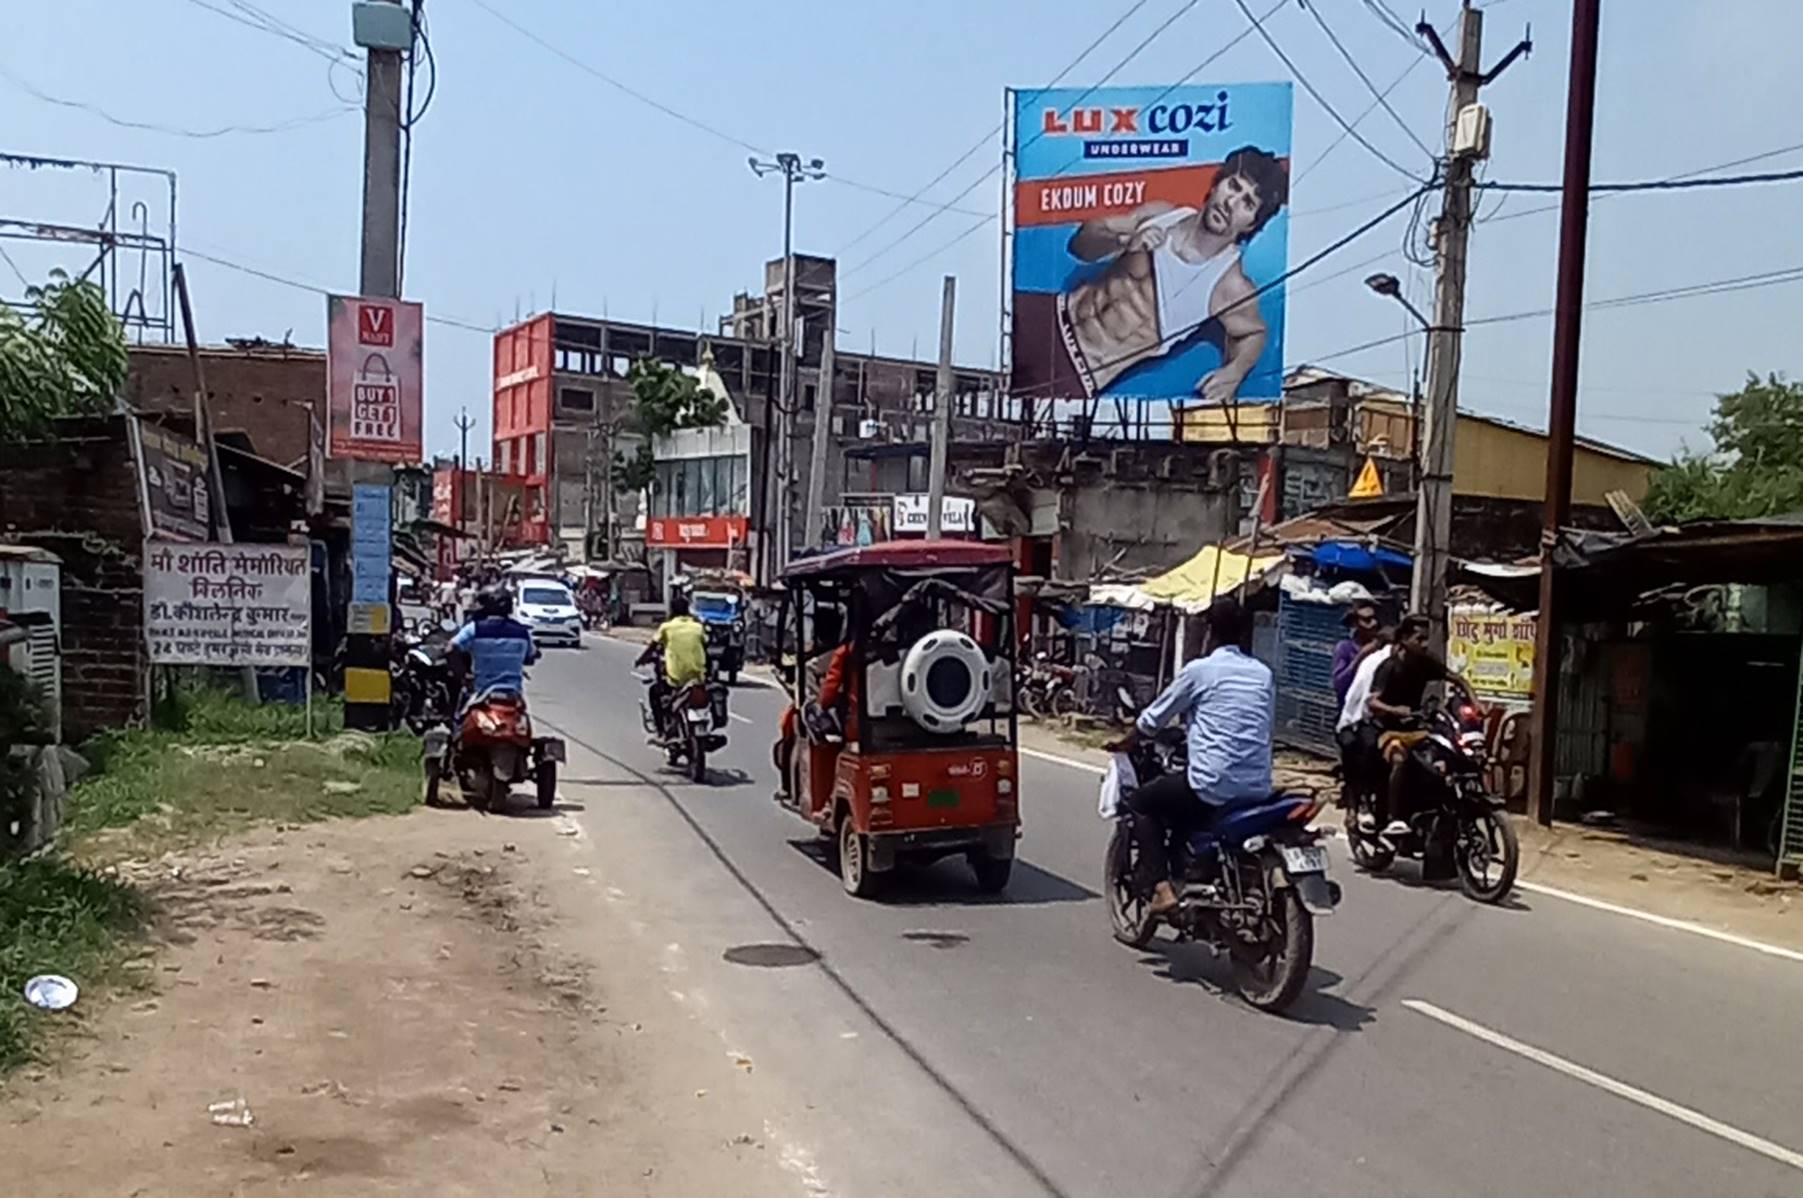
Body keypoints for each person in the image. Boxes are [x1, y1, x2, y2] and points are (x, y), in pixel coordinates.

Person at [1014, 145, 1289, 404]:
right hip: (1046, 314)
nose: (1231, 203)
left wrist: (1234, 372)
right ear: (1217, 183)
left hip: (1076, 373)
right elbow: (1080, 245)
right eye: (1234, 186)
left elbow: (1254, 332)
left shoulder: (1229, 284)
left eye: (1247, 203)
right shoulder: (1161, 215)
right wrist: (1122, 242)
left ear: (1251, 222)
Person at [1116, 597, 1275, 917]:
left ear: (1209, 633)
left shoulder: (1201, 671)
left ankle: (1163, 890)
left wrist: (1125, 742)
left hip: (1212, 783)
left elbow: (1152, 719)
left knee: (1141, 802)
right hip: (1258, 786)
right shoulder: (1263, 674)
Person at [1365, 614, 1476, 837]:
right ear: (1405, 639)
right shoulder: (1389, 666)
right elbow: (1372, 701)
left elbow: (1457, 679)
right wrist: (1396, 710)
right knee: (1399, 759)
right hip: (1388, 730)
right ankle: (1394, 819)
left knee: (1445, 757)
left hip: (1417, 728)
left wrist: (1475, 703)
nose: (1424, 644)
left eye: (1426, 639)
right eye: (1419, 639)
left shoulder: (1426, 662)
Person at [1335, 625, 1394, 818]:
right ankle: (1360, 804)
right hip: (1355, 718)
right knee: (1365, 750)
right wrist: (1359, 658)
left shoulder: (1393, 662)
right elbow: (1343, 685)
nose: (1371, 624)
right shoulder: (1360, 655)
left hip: (1375, 718)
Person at [447, 583, 539, 704]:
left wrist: (463, 676)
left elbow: (450, 648)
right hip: (513, 695)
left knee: (459, 717)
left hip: (481, 693)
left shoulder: (475, 628)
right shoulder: (522, 632)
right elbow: (531, 655)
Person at [637, 593, 707, 734]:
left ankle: (661, 730)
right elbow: (705, 644)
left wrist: (640, 660)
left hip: (676, 679)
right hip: (698, 678)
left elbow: (652, 647)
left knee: (654, 693)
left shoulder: (667, 627)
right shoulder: (698, 627)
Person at [1331, 601, 1381, 706]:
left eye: (1375, 618)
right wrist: (1360, 657)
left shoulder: (1382, 647)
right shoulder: (1345, 648)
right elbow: (1339, 685)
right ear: (1355, 623)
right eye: (1367, 620)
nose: (1374, 623)